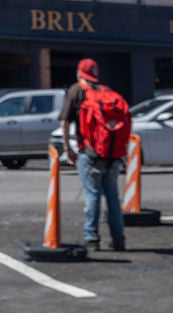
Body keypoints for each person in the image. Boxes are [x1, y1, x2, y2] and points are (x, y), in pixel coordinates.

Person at [59, 58, 126, 251]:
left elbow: (65, 121)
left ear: (79, 73)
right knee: (112, 197)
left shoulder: (76, 91)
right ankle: (119, 239)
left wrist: (67, 148)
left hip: (90, 153)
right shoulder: (107, 91)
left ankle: (91, 237)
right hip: (112, 154)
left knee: (92, 195)